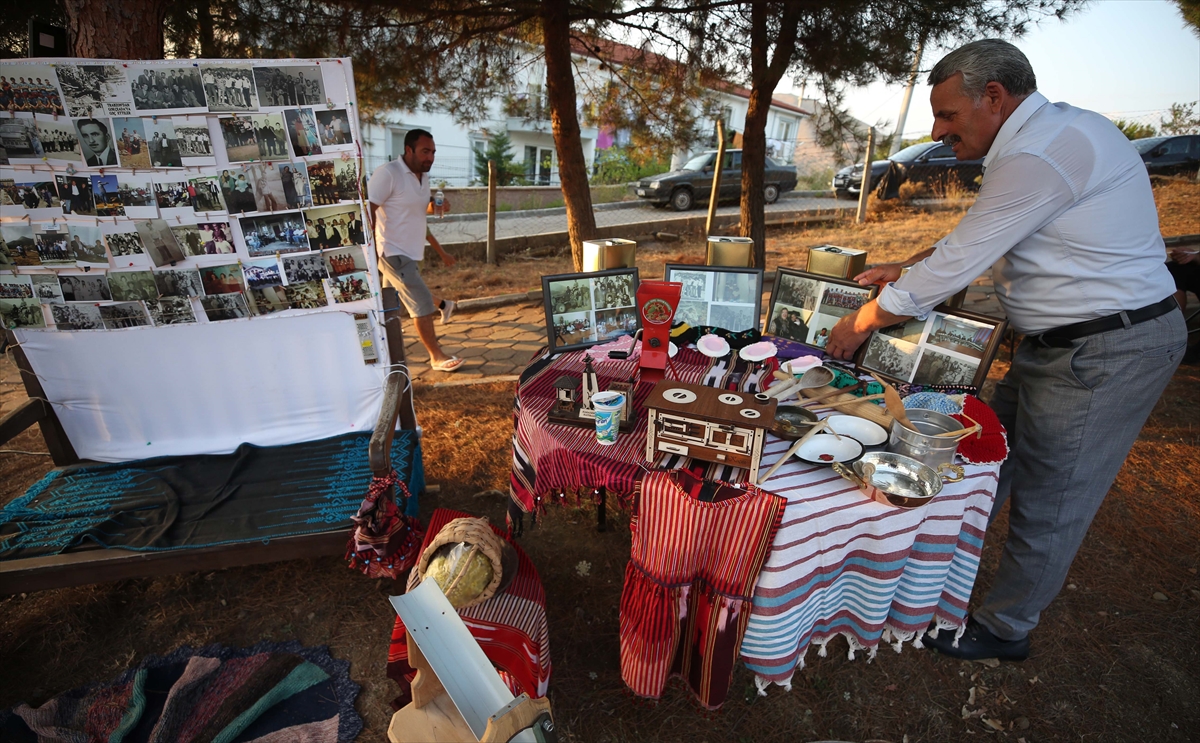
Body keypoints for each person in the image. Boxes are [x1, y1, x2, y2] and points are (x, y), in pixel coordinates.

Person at [825, 40, 1186, 661]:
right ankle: (938, 574)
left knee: (1053, 496)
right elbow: (982, 235)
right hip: (1063, 346)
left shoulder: (1043, 151)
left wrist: (862, 321)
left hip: (1106, 348)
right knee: (989, 461)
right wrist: (905, 265)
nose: (938, 134)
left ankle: (1005, 628)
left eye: (948, 116)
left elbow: (965, 256)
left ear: (994, 97)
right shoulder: (1040, 139)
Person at [367, 128, 461, 372]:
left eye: (432, 152)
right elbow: (368, 209)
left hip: (411, 252)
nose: (430, 157)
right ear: (408, 150)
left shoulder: (423, 176)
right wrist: (369, 251)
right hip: (391, 251)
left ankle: (385, 354)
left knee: (390, 303)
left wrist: (435, 207)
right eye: (425, 151)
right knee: (420, 301)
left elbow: (418, 212)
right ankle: (436, 356)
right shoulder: (389, 173)